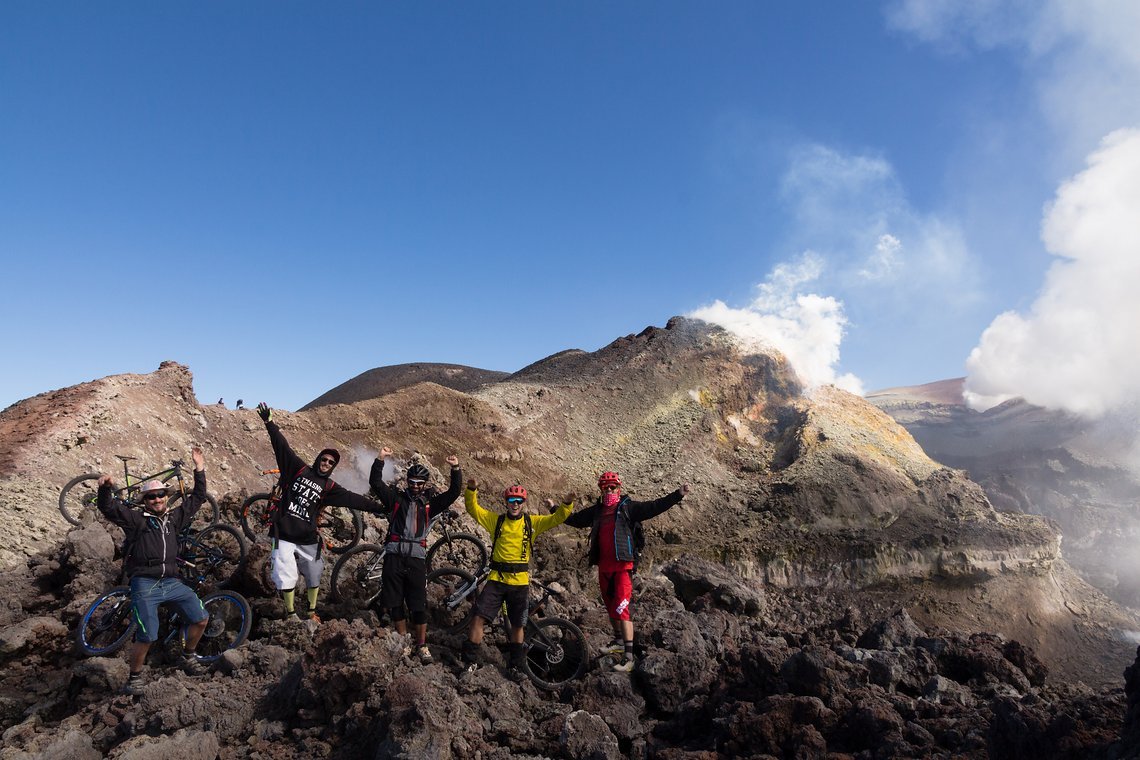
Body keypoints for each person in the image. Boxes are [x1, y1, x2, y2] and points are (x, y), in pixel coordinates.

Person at [96, 446, 210, 695]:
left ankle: (188, 656)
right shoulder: (137, 521)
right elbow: (109, 508)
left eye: (161, 495)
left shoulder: (175, 519)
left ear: (167, 497)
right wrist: (105, 488)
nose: (157, 499)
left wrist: (199, 468)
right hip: (145, 584)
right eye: (151, 496)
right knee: (148, 634)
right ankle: (134, 678)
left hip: (172, 581)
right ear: (144, 501)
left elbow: (198, 498)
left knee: (201, 618)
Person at [256, 402, 382, 621]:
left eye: (330, 462)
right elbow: (281, 446)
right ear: (318, 459)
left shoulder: (330, 487)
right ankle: (292, 613)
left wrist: (383, 507)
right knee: (286, 574)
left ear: (333, 467)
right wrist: (269, 423)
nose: (325, 463)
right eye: (323, 459)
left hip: (307, 537)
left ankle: (312, 611)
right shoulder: (298, 469)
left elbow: (353, 499)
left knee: (315, 572)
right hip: (284, 532)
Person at [563, 471, 689, 672]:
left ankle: (629, 658)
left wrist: (677, 495)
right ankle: (618, 641)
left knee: (622, 610)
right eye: (606, 487)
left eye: (612, 487)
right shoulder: (597, 511)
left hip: (623, 567)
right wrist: (555, 508)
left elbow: (654, 507)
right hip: (604, 568)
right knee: (611, 607)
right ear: (601, 490)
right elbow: (575, 520)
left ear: (619, 488)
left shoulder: (628, 507)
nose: (609, 490)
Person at [461, 480, 575, 678]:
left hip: (520, 583)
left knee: (517, 625)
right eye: (512, 500)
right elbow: (474, 509)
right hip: (496, 580)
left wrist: (566, 503)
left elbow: (558, 518)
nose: (515, 504)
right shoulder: (496, 521)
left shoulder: (532, 523)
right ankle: (470, 662)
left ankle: (515, 666)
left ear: (523, 503)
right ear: (506, 502)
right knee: (478, 618)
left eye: (519, 500)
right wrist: (471, 490)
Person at [368, 447, 462, 664]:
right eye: (412, 482)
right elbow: (376, 483)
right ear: (407, 481)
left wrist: (455, 468)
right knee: (395, 603)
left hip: (416, 559)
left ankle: (421, 645)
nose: (416, 486)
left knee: (418, 604)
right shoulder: (396, 499)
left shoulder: (430, 504)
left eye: (420, 483)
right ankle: (403, 642)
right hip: (393, 556)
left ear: (425, 484)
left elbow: (454, 492)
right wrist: (380, 459)